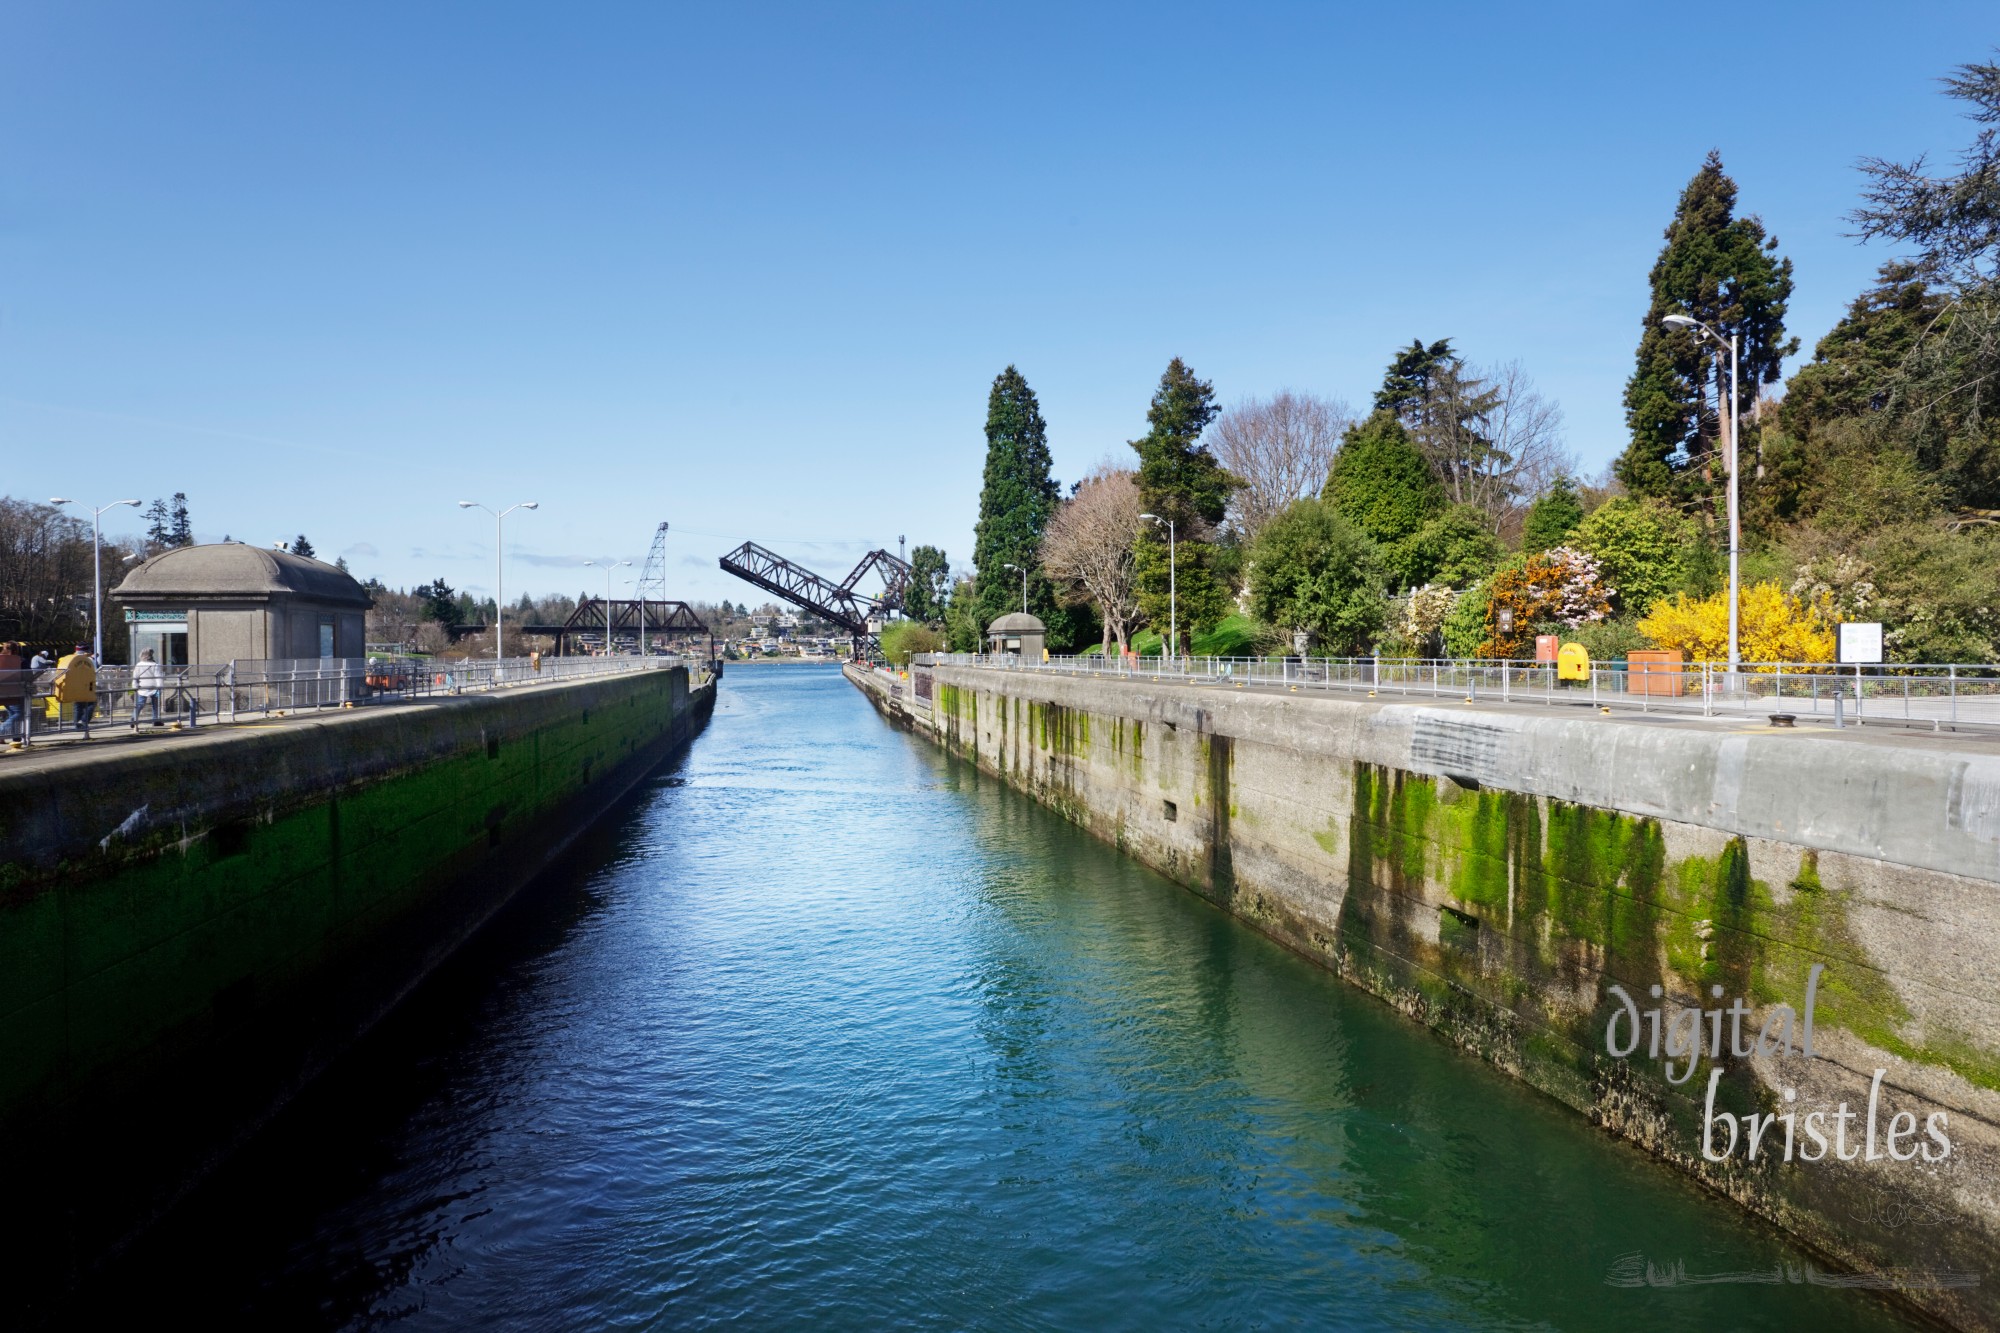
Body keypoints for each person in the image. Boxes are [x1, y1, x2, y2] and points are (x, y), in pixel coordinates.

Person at [53, 643, 98, 738]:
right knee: (91, 702)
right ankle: (84, 721)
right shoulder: (89, 660)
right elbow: (93, 673)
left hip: (74, 686)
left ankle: (77, 724)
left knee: (78, 705)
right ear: (86, 651)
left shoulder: (69, 659)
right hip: (87, 686)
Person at [130, 648, 166, 728]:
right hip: (154, 687)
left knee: (139, 704)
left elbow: (135, 677)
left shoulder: (138, 665)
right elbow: (158, 677)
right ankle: (155, 720)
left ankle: (133, 719)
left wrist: (134, 686)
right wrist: (160, 687)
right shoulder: (155, 665)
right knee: (155, 705)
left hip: (142, 687)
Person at [0, 641, 26, 741]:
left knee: (13, 713)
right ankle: (2, 732)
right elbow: (29, 674)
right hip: (15, 691)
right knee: (19, 713)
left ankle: (16, 738)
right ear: (16, 650)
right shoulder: (20, 660)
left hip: (2, 691)